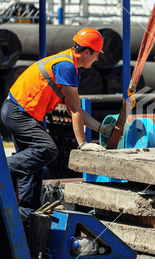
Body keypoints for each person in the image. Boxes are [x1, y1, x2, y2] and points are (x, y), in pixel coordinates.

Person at [1, 28, 115, 221]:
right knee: (47, 149)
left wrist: (101, 129)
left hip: (23, 113)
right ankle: (2, 169)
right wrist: (82, 144)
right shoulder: (67, 66)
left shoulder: (69, 64)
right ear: (86, 52)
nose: (97, 60)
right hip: (18, 113)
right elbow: (76, 109)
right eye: (96, 55)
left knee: (33, 169)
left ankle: (26, 215)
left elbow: (73, 108)